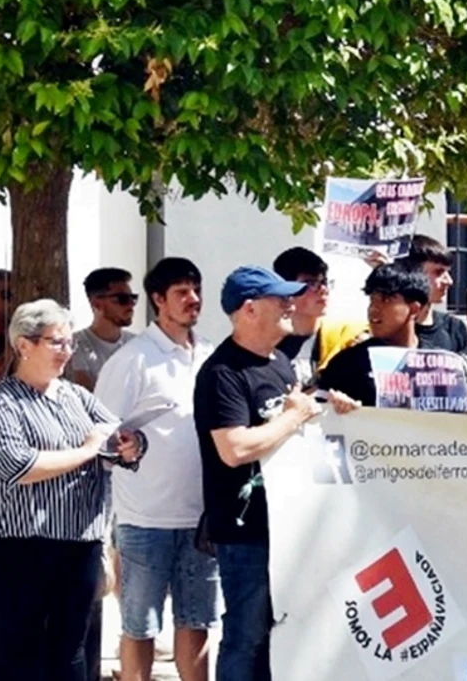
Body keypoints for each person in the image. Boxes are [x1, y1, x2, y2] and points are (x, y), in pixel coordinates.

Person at [195, 266, 355, 681]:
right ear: (249, 309)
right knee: (246, 637)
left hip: (289, 526)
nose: (291, 304)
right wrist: (294, 415)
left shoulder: (281, 363)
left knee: (283, 639)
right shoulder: (222, 374)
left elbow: (296, 423)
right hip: (245, 532)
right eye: (279, 298)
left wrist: (327, 406)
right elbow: (235, 449)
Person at [0, 299, 142, 681]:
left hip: (80, 540)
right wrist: (87, 450)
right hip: (24, 545)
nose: (67, 351)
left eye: (69, 343)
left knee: (72, 646)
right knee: (20, 647)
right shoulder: (2, 403)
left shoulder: (76, 397)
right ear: (24, 345)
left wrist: (130, 444)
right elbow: (18, 466)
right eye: (56, 342)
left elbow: (114, 432)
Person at [95, 271, 218, 681]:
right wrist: (124, 444)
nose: (193, 299)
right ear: (158, 299)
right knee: (139, 627)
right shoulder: (133, 359)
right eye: (182, 292)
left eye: (197, 290)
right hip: (145, 519)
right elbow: (102, 434)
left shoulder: (210, 355)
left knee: (196, 623)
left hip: (201, 517)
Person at [318, 264, 467, 412]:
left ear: (414, 309)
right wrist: (334, 405)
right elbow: (317, 412)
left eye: (386, 300)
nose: (374, 309)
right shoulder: (347, 363)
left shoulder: (443, 364)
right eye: (372, 299)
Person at [271, 248, 365, 386]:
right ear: (287, 290)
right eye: (311, 283)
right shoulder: (268, 343)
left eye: (324, 282)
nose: (323, 289)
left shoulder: (347, 338)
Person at [398, 236, 467, 353]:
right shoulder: (389, 329)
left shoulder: (454, 328)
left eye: (448, 272)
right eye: (438, 272)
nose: (449, 281)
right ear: (413, 273)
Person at [69, 267, 137, 390]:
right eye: (122, 299)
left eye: (133, 298)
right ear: (97, 304)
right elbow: (87, 398)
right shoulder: (75, 346)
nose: (131, 304)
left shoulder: (139, 344)